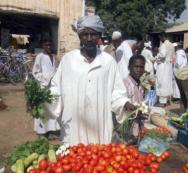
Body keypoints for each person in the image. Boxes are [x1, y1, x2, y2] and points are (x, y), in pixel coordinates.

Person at [45, 15, 135, 145]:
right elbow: (55, 89)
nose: (88, 38)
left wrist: (126, 104)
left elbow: (117, 93)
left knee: (98, 160)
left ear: (99, 36)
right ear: (79, 36)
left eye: (93, 34)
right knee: (72, 160)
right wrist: (43, 99)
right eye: (84, 34)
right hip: (73, 124)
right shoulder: (68, 60)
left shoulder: (108, 61)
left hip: (98, 125)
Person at [32, 38, 60, 137]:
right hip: (43, 87)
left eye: (50, 45)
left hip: (52, 87)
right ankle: (41, 131)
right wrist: (45, 80)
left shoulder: (53, 56)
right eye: (46, 45)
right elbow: (35, 72)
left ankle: (50, 130)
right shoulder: (40, 57)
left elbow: (55, 70)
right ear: (43, 46)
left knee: (51, 108)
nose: (49, 47)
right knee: (42, 109)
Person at [155, 32, 174, 107]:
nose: (160, 39)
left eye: (160, 38)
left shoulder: (163, 45)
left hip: (163, 65)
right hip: (169, 65)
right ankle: (165, 100)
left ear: (163, 37)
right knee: (166, 83)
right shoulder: (171, 45)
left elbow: (162, 55)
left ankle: (161, 102)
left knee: (161, 82)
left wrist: (156, 58)